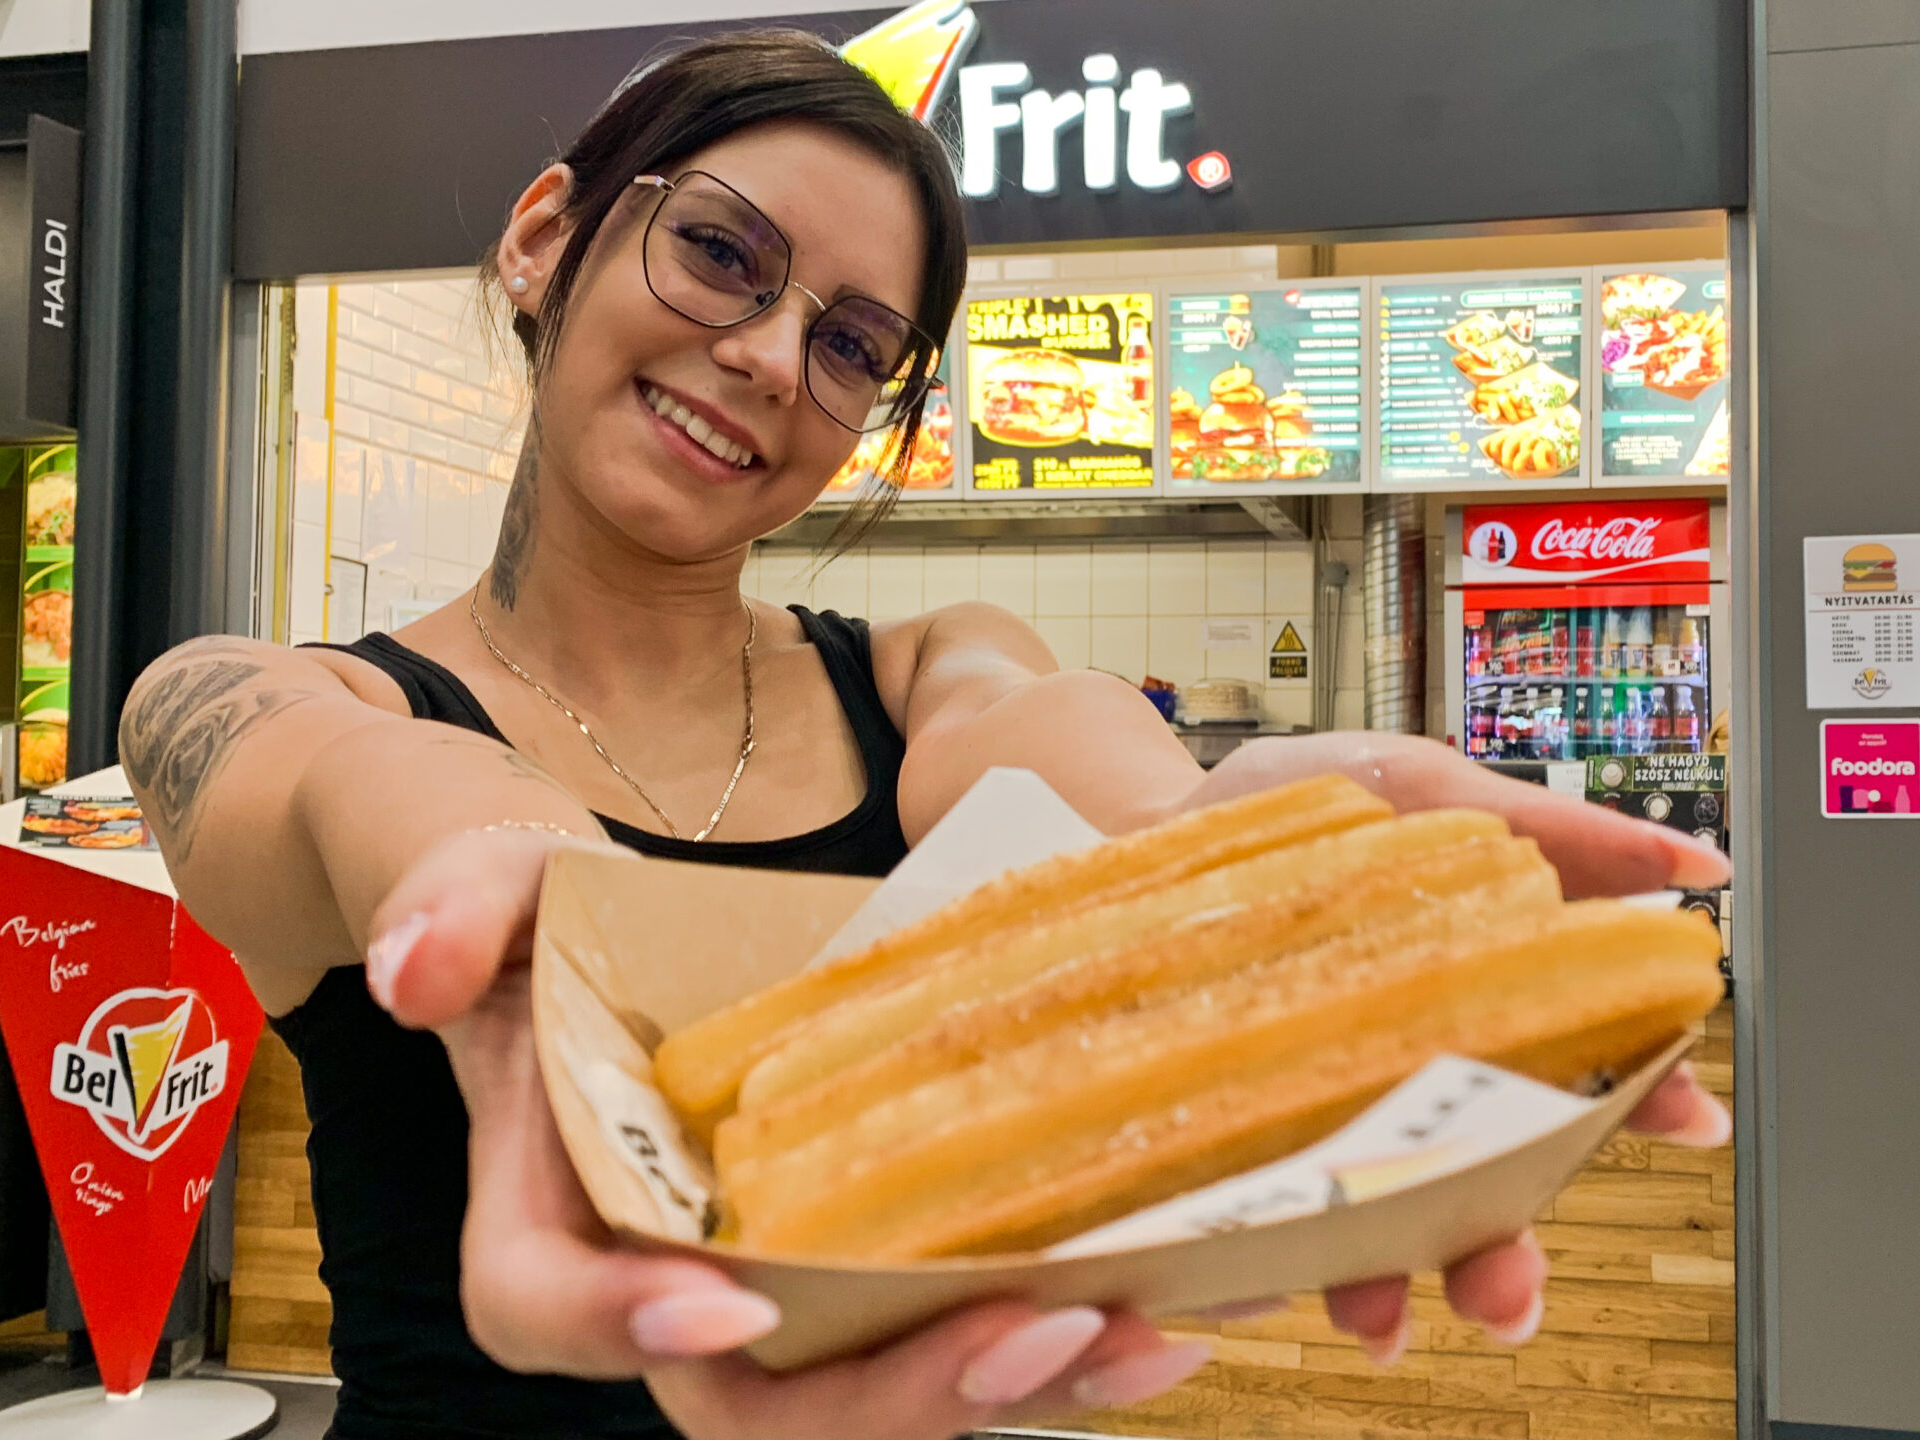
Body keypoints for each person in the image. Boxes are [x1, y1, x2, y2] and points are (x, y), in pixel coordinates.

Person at [116, 31, 1732, 1440]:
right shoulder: (281, 702)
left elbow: (1047, 734)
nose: (762, 358)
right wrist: (533, 909)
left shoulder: (917, 674)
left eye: (849, 346)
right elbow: (375, 781)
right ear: (548, 237)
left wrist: (1207, 854)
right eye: (724, 256)